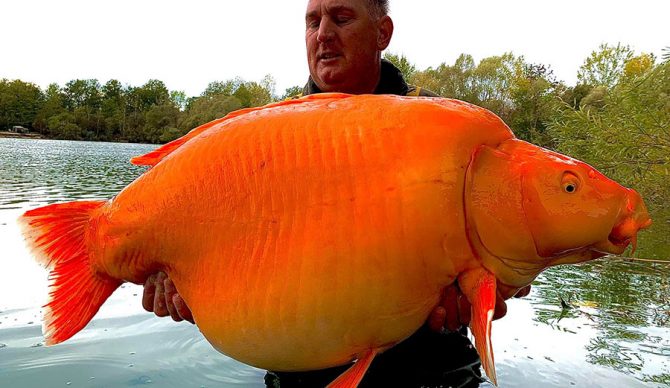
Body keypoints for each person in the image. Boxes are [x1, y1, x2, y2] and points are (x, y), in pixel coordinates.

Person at [143, 0, 530, 386]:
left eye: (342, 18)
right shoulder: (268, 136)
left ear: (383, 33)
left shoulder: (449, 128)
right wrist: (180, 279)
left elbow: (520, 240)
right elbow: (234, 246)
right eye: (313, 21)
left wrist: (501, 282)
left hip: (434, 371)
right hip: (301, 371)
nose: (324, 34)